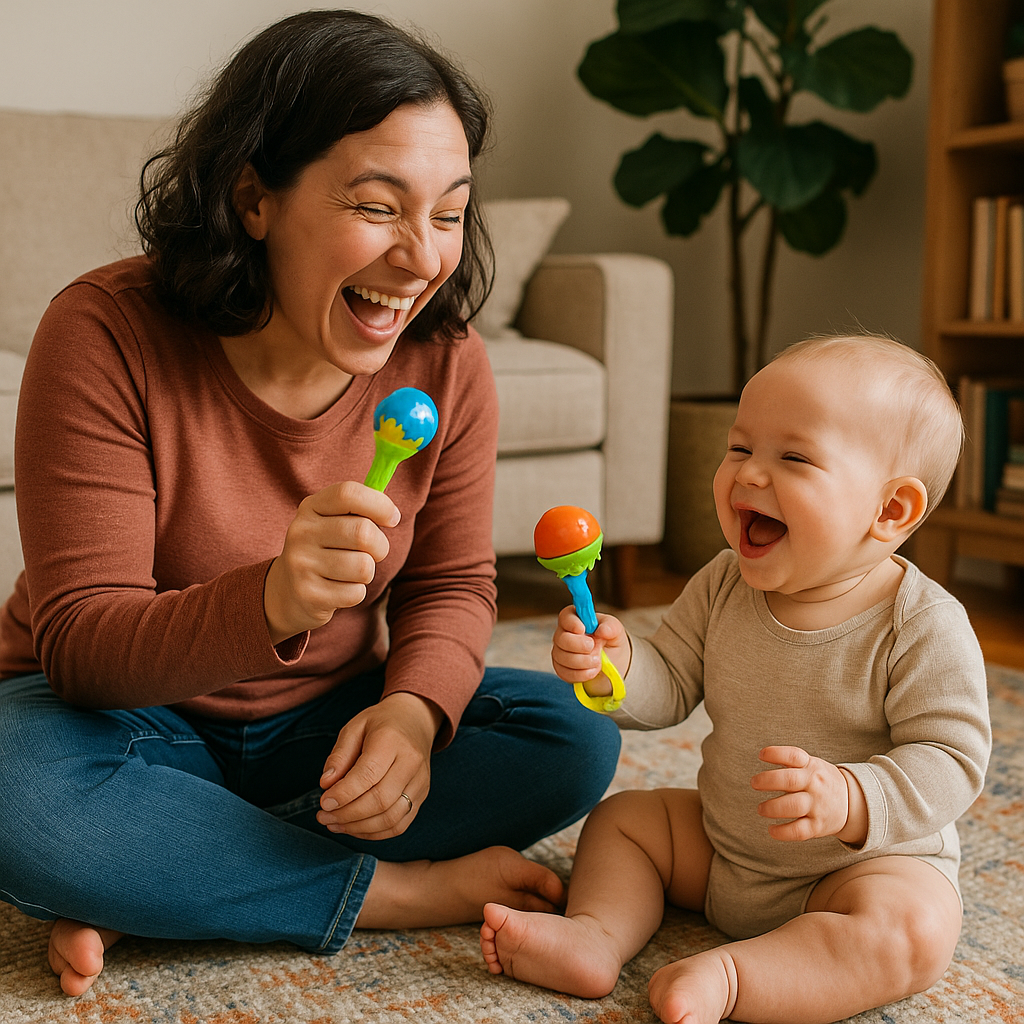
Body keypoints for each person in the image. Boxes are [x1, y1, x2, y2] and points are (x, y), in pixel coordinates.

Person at [0, 9, 621, 997]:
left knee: (572, 737)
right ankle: (379, 889)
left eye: (450, 213)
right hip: (119, 717)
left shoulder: (447, 360)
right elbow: (80, 642)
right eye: (379, 207)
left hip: (322, 725)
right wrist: (272, 602)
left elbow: (454, 580)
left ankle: (168, 876)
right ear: (254, 200)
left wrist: (414, 715)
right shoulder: (104, 333)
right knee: (22, 798)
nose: (423, 258)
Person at [480, 334, 992, 1024]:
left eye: (794, 458)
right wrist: (618, 669)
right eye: (741, 448)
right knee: (626, 821)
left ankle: (734, 978)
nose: (748, 475)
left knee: (916, 932)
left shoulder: (923, 624)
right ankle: (596, 936)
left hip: (854, 871)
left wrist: (854, 797)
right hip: (723, 848)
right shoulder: (722, 583)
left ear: (890, 510)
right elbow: (671, 684)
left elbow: (953, 761)